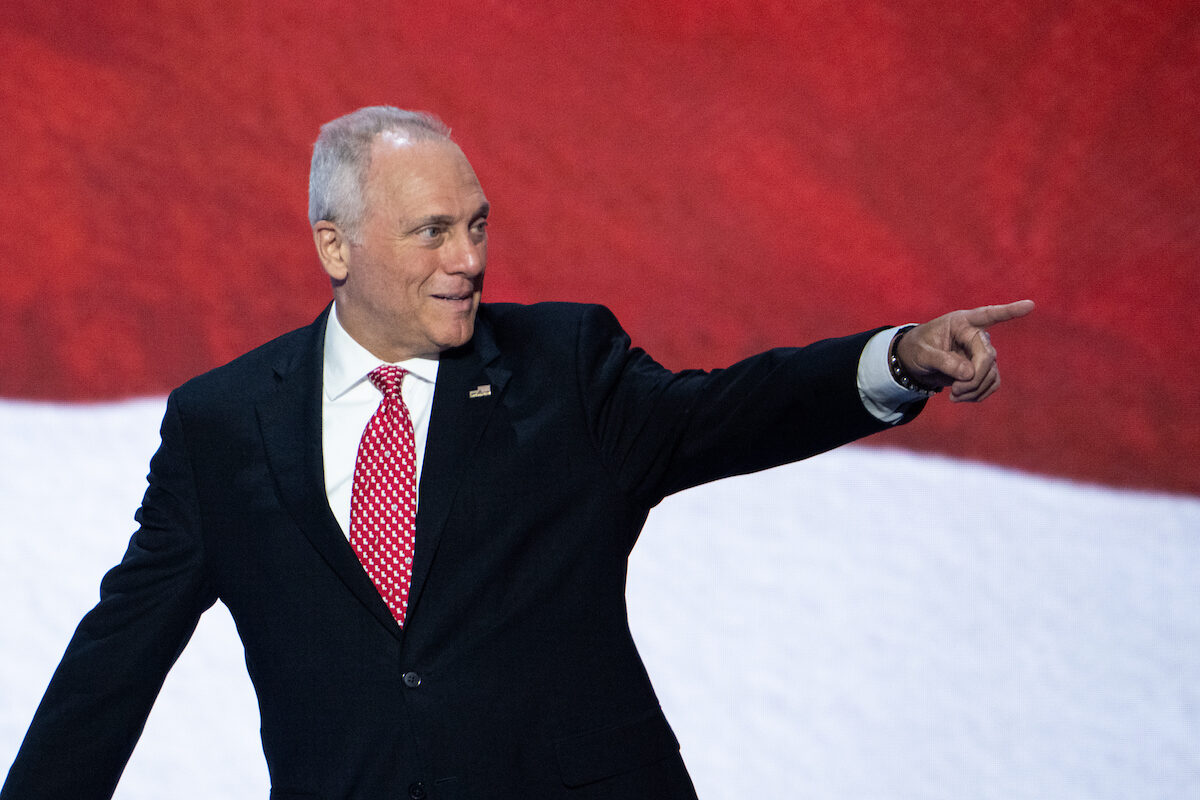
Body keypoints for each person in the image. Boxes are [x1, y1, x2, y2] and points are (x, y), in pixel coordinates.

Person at [1, 106, 1033, 800]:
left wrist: (895, 358)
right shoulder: (223, 423)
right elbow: (117, 655)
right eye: (432, 232)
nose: (470, 261)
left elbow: (730, 411)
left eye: (479, 225)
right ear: (335, 245)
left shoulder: (565, 366)